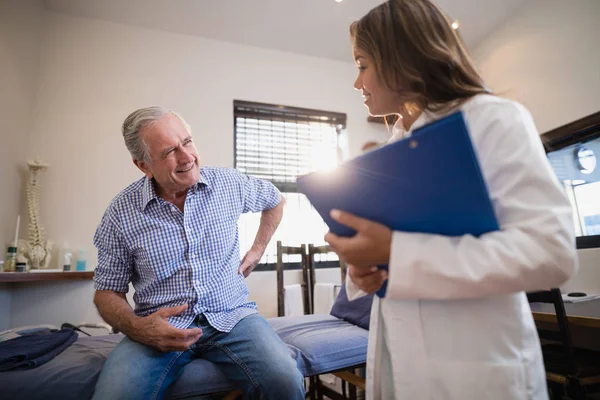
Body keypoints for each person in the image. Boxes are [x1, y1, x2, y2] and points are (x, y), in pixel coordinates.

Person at [324, 1, 577, 399]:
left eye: (362, 64)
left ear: (401, 57)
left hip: (475, 365)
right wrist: (364, 270)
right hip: (399, 355)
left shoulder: (493, 118)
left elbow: (552, 252)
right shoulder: (396, 144)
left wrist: (399, 252)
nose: (357, 83)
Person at [91, 106, 304, 400]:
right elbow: (106, 293)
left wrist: (257, 250)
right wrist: (138, 328)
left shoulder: (228, 184)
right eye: (169, 152)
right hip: (159, 326)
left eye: (187, 142)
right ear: (143, 165)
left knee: (285, 379)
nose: (188, 157)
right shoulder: (120, 213)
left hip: (233, 316)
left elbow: (275, 200)